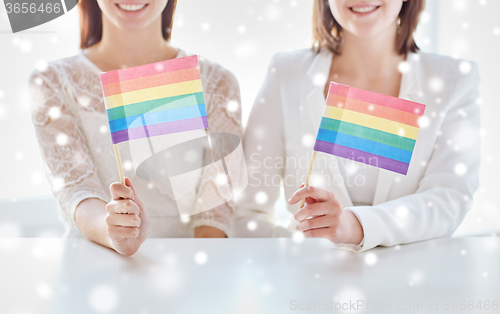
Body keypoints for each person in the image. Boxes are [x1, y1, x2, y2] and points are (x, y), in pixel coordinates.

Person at [234, 0, 481, 252]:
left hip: (407, 281)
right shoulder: (286, 73)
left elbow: (447, 199)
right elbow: (247, 212)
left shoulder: (454, 80)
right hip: (308, 282)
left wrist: (353, 226)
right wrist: (300, 252)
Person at [28, 0, 242, 255]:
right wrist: (114, 232)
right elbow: (77, 192)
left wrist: (197, 277)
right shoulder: (52, 82)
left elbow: (215, 215)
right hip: (91, 269)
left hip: (186, 274)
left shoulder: (217, 83)